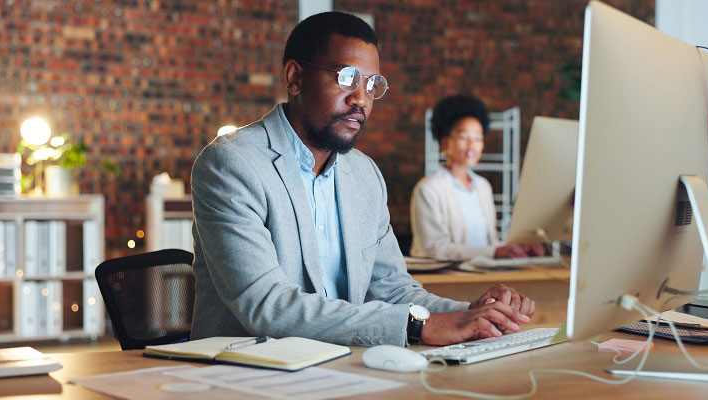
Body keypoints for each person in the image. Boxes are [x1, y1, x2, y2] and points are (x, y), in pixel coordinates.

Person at [190, 12, 535, 348]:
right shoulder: (232, 163)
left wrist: (476, 313)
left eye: (372, 85)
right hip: (248, 371)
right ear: (295, 78)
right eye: (346, 79)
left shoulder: (365, 175)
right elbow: (266, 305)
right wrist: (418, 327)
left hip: (342, 366)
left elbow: (394, 291)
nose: (361, 100)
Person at [410, 95, 544, 261]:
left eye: (478, 138)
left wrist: (516, 249)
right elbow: (433, 248)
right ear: (445, 143)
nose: (472, 144)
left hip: (484, 273)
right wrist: (493, 252)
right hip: (447, 279)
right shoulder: (428, 189)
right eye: (464, 137)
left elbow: (491, 242)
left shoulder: (483, 186)